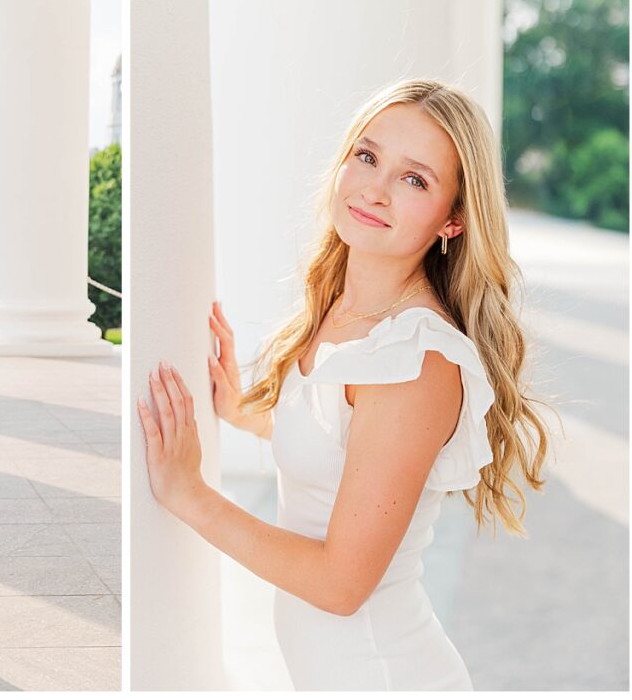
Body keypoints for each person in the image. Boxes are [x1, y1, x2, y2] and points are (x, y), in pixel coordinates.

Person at [137, 79, 556, 690]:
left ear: (454, 221)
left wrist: (189, 494)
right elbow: (343, 451)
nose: (375, 189)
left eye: (415, 180)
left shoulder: (414, 359)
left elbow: (341, 585)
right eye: (367, 156)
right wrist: (240, 410)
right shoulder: (344, 308)